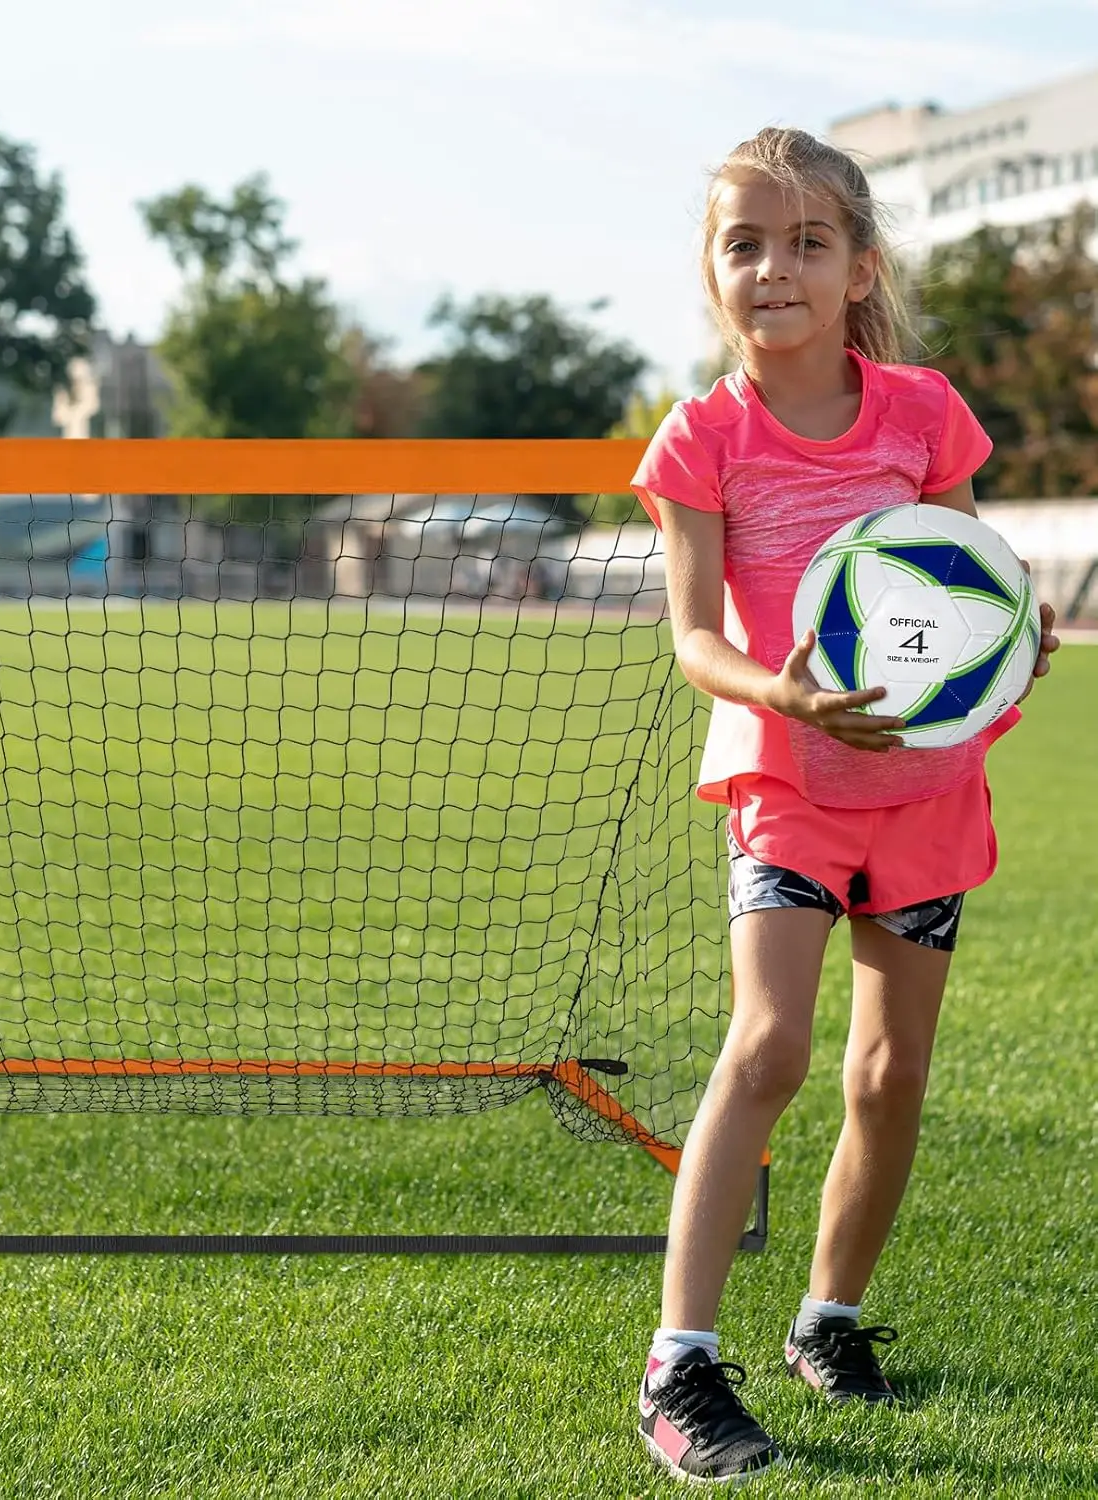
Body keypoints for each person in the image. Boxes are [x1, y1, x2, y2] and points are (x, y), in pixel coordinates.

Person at [628, 126, 1060, 1484]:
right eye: (745, 243)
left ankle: (830, 1321)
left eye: (809, 242)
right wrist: (783, 692)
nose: (777, 267)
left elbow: (966, 582)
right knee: (769, 1049)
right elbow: (695, 641)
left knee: (890, 1075)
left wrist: (1015, 648)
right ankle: (680, 1364)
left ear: (860, 268)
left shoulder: (925, 415)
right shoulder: (704, 438)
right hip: (789, 778)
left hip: (924, 792)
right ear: (713, 271)